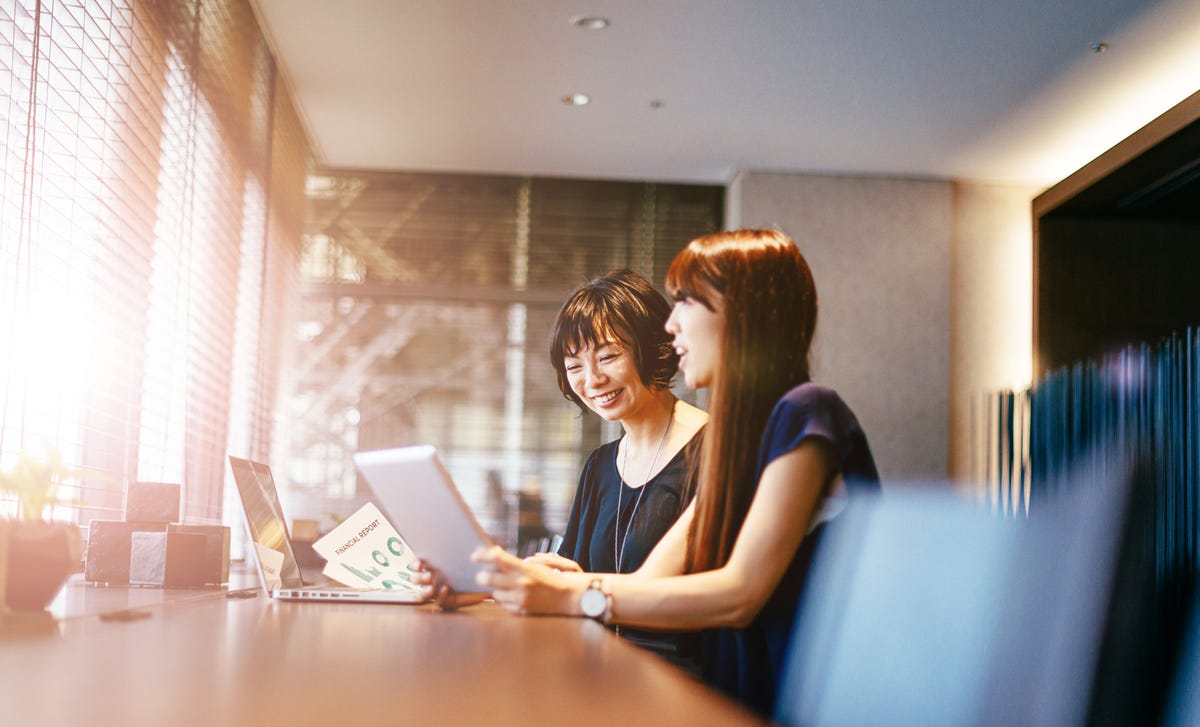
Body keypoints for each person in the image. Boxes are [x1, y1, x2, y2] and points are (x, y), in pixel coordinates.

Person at [424, 229, 881, 717]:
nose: (672, 324)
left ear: (742, 313)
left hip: (774, 704)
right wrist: (493, 580)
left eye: (686, 302)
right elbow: (648, 579)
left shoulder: (805, 412)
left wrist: (567, 592)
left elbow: (738, 596)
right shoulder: (744, 437)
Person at [531, 269, 707, 665]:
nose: (592, 380)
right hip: (599, 669)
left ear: (653, 347)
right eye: (574, 366)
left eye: (608, 356)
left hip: (683, 680)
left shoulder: (717, 450)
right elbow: (570, 579)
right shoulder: (600, 466)